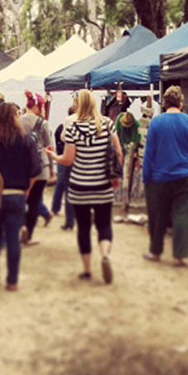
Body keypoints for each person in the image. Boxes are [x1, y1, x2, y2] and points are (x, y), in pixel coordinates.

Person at [46, 90, 123, 284]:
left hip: (80, 185)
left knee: (84, 227)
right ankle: (105, 254)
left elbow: (68, 159)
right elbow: (119, 152)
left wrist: (54, 157)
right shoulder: (107, 124)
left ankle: (88, 269)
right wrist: (116, 174)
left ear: (78, 104)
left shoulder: (72, 127)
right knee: (104, 224)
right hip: (103, 185)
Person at [0, 102, 41, 291]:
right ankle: (12, 281)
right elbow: (35, 169)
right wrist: (27, 190)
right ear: (14, 117)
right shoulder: (26, 139)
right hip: (18, 194)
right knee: (13, 237)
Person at [142, 85, 188, 267]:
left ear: (165, 103)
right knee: (182, 215)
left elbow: (149, 153)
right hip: (185, 177)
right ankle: (180, 255)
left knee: (157, 217)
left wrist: (146, 177)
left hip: (159, 178)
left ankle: (156, 252)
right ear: (181, 103)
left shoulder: (156, 123)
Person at [20, 91, 53, 244]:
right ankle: (29, 233)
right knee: (35, 201)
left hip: (23, 166)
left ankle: (21, 228)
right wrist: (52, 170)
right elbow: (49, 147)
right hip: (41, 167)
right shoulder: (43, 123)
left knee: (22, 199)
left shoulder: (18, 121)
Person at [52, 104, 78, 230]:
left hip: (64, 157)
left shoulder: (62, 127)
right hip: (79, 160)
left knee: (64, 186)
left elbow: (60, 139)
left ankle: (68, 219)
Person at [114, 110, 141, 219]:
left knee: (127, 176)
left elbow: (136, 144)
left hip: (131, 150)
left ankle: (125, 201)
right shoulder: (120, 120)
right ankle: (119, 197)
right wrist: (118, 153)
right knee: (117, 173)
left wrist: (135, 157)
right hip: (121, 147)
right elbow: (116, 136)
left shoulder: (136, 125)